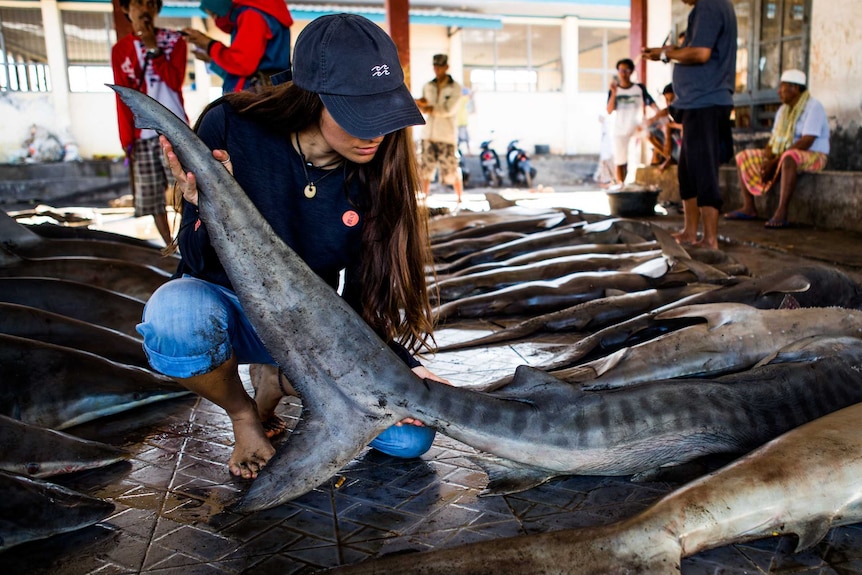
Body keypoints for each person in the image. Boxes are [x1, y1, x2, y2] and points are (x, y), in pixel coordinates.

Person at [139, 13, 448, 480]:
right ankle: (245, 415)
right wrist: (203, 208)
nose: (375, 134)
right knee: (174, 319)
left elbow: (362, 301)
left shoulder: (377, 174)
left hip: (309, 327)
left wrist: (403, 370)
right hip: (224, 306)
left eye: (384, 114)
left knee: (410, 439)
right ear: (311, 96)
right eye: (358, 116)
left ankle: (280, 379)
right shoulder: (231, 125)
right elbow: (198, 261)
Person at [642, 0, 737, 250]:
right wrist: (671, 51)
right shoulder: (705, 8)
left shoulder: (710, 5)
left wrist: (665, 54)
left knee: (704, 171)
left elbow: (700, 53)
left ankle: (710, 239)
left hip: (706, 102)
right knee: (687, 171)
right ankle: (689, 231)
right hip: (695, 103)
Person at [112, 0, 187, 246]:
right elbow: (122, 97)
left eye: (150, 4)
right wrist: (127, 139)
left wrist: (153, 48)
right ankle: (169, 246)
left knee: (185, 190)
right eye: (137, 4)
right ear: (125, 9)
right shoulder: (120, 50)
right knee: (152, 196)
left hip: (174, 128)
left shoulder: (174, 41)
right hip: (141, 134)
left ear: (156, 9)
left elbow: (175, 81)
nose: (144, 9)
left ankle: (190, 241)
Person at [724, 69, 829, 229]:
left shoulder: (813, 107)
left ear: (795, 88)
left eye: (783, 87)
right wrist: (767, 158)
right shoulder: (782, 110)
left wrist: (775, 161)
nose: (779, 92)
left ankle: (782, 211)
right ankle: (749, 207)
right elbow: (773, 141)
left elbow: (807, 141)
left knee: (789, 156)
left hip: (813, 155)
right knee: (743, 156)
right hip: (784, 154)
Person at [182, 0, 292, 93]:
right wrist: (213, 59)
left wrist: (210, 45)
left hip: (254, 102)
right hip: (268, 97)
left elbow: (243, 65)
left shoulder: (252, 15)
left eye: (215, 15)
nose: (216, 21)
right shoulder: (267, 11)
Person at [416, 54, 464, 202]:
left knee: (451, 168)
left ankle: (459, 198)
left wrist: (428, 108)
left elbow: (448, 109)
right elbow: (425, 104)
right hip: (428, 133)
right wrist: (419, 104)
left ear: (446, 67)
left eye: (440, 66)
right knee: (425, 167)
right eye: (435, 66)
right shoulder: (428, 85)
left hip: (446, 135)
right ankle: (424, 196)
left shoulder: (455, 87)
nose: (437, 69)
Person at [607, 58, 659, 185]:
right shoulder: (615, 90)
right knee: (621, 161)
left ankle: (666, 158)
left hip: (637, 126)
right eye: (621, 70)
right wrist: (614, 93)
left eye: (626, 70)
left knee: (653, 136)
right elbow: (609, 110)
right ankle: (621, 186)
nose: (623, 73)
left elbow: (652, 105)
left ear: (631, 72)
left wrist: (657, 118)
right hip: (620, 128)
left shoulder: (639, 88)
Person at [645, 83, 683, 171]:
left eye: (672, 99)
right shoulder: (668, 112)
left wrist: (668, 129)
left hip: (684, 148)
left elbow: (687, 127)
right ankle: (668, 157)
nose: (669, 103)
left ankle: (669, 158)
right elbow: (649, 124)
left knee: (668, 129)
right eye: (667, 100)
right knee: (649, 132)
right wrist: (656, 118)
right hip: (674, 146)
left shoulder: (685, 110)